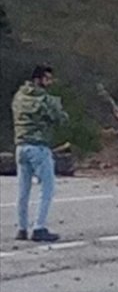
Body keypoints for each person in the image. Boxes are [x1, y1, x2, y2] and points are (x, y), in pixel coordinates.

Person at [11, 65, 68, 243]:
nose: (49, 82)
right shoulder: (45, 99)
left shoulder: (18, 97)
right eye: (47, 79)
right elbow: (61, 119)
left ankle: (22, 228)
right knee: (47, 188)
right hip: (39, 147)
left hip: (20, 146)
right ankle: (39, 227)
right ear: (39, 80)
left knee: (23, 190)